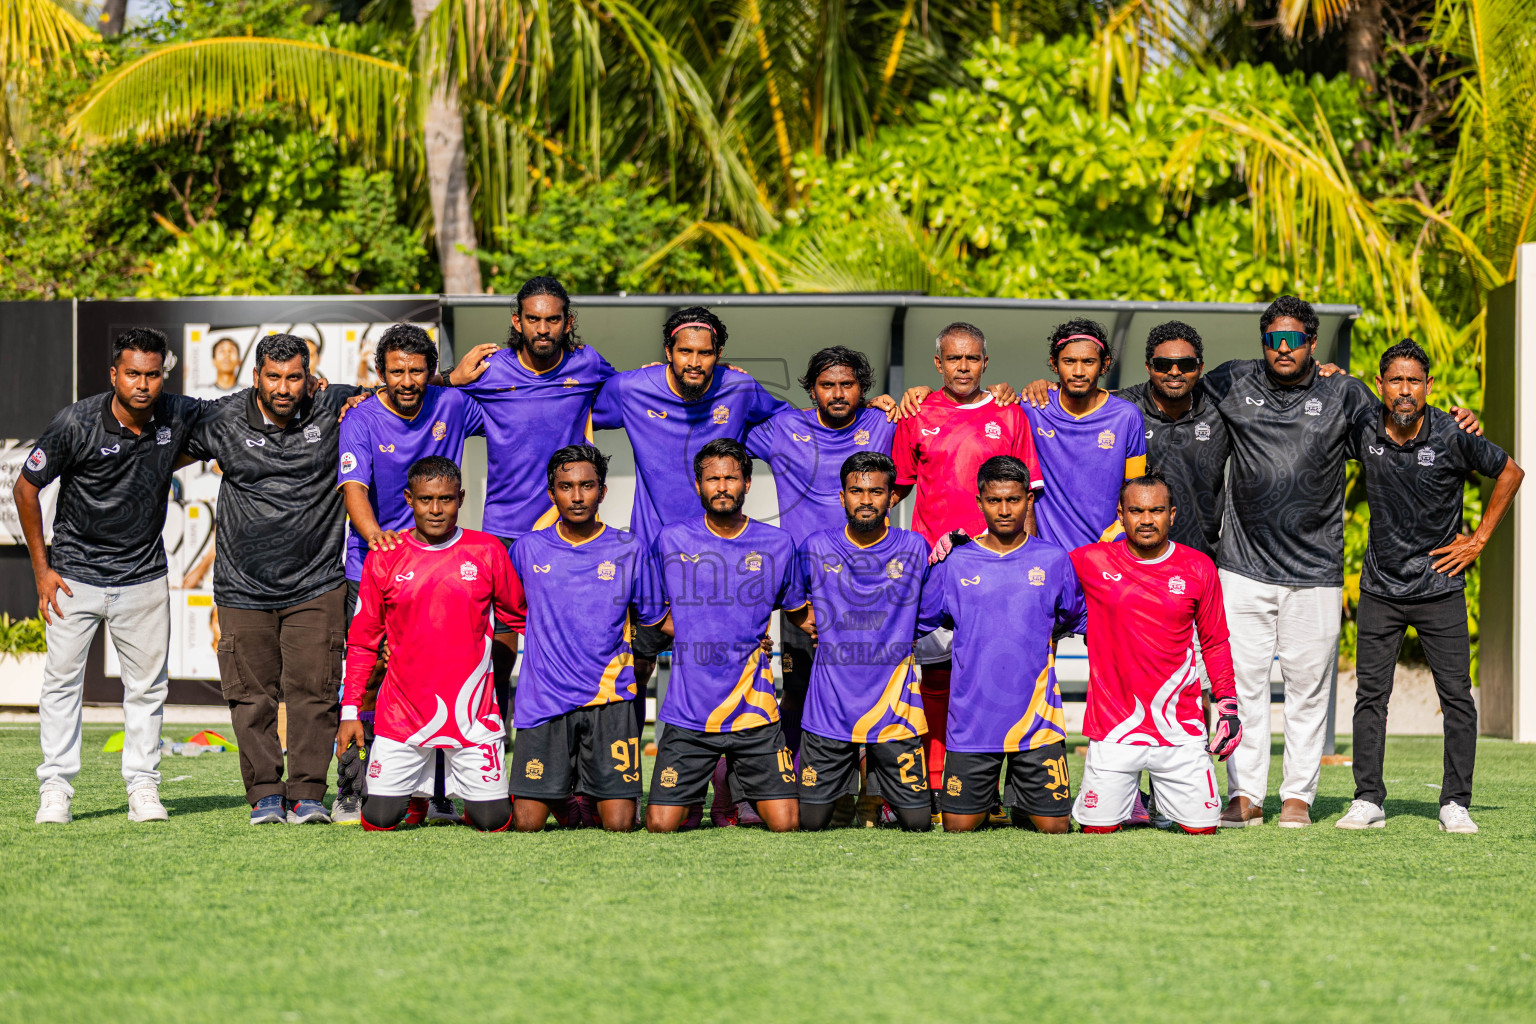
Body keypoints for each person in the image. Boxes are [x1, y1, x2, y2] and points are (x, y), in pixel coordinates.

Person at [1198, 296, 1395, 828]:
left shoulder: (1343, 392)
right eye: (1272, 339)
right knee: (1241, 689)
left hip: (1316, 572)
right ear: (1262, 342)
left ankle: (1298, 797)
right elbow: (1164, 391)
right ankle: (1244, 795)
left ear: (1312, 342)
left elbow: (1398, 433)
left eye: (1293, 339)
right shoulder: (1232, 381)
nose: (1282, 348)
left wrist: (1458, 423)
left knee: (1309, 691)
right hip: (1241, 568)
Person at [18, 328, 205, 825]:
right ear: (114, 375)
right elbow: (25, 488)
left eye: (152, 374)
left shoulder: (178, 413)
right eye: (133, 374)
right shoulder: (76, 422)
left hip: (143, 577)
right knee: (62, 684)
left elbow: (234, 411)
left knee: (147, 689)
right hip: (74, 577)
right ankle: (55, 788)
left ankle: (143, 787)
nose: (143, 384)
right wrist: (43, 570)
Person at [1336, 340, 1522, 834]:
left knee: (1457, 697)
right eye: (1395, 380)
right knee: (1371, 697)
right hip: (1380, 586)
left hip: (1440, 586)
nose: (1404, 390)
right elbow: (1332, 399)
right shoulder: (1364, 428)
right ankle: (1368, 799)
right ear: (1381, 386)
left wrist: (1479, 540)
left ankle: (1455, 803)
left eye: (1413, 381)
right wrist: (1326, 371)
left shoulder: (1453, 432)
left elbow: (1510, 471)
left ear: (1429, 386)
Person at [182, 333, 368, 825]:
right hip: (243, 587)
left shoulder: (334, 404)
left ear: (310, 378)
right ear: (256, 377)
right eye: (274, 377)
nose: (284, 387)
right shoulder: (222, 417)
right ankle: (265, 793)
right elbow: (160, 442)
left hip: (317, 583)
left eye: (294, 377)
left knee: (315, 693)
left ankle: (308, 794)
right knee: (250, 695)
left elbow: (398, 388)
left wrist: (448, 378)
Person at [591, 307, 792, 738]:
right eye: (685, 352)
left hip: (719, 563)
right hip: (651, 560)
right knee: (633, 669)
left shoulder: (739, 386)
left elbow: (796, 424)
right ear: (668, 352)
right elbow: (573, 402)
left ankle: (731, 799)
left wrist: (868, 410)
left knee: (735, 668)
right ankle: (620, 773)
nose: (695, 362)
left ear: (719, 355)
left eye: (705, 353)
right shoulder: (632, 388)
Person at [441, 277, 614, 727]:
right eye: (533, 319)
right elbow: (421, 401)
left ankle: (566, 732)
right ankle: (493, 733)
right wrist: (450, 378)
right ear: (517, 321)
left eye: (552, 320)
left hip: (563, 529)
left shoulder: (587, 362)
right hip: (502, 528)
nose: (542, 328)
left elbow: (635, 392)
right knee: (498, 638)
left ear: (567, 322)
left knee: (563, 635)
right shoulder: (489, 369)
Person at [335, 323, 486, 824]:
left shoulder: (453, 405)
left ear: (430, 371)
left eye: (417, 370)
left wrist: (453, 380)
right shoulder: (360, 416)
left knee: (442, 674)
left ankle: (438, 790)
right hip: (375, 566)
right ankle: (352, 788)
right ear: (380, 372)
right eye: (396, 370)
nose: (407, 380)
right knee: (371, 676)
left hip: (441, 569)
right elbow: (353, 486)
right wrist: (377, 536)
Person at [891, 321, 1043, 802]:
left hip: (1000, 567)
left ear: (985, 362)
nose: (963, 367)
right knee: (936, 677)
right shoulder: (916, 414)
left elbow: (1028, 499)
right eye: (953, 358)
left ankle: (1000, 791)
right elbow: (893, 488)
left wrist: (1028, 562)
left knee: (997, 675)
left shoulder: (1009, 413)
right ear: (938, 364)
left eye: (972, 358)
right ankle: (937, 785)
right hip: (938, 570)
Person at [337, 457, 524, 833]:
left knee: (494, 822)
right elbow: (362, 641)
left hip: (473, 716)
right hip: (402, 715)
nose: (436, 509)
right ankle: (418, 796)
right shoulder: (385, 555)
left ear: (461, 498)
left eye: (446, 499)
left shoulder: (488, 551)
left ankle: (472, 796)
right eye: (425, 499)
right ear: (409, 499)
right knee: (379, 821)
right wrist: (349, 711)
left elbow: (522, 617)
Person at [745, 346, 899, 758]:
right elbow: (719, 423)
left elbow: (923, 452)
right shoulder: (783, 427)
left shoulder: (883, 420)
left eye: (847, 385)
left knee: (869, 690)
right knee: (798, 691)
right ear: (811, 391)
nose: (837, 393)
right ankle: (796, 778)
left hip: (867, 583)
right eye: (827, 385)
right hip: (803, 589)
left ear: (862, 389)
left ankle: (870, 794)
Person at [1069, 474, 1243, 834]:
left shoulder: (1198, 567)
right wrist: (966, 545)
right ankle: (1135, 800)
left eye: (1156, 510)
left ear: (1172, 514)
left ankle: (1163, 802)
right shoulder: (1090, 561)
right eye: (1136, 511)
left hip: (1180, 732)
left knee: (1202, 830)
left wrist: (1227, 704)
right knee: (1097, 831)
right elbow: (1030, 567)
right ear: (1120, 515)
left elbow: (1214, 641)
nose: (1146, 520)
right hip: (1114, 730)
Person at [642, 439, 801, 834]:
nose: (723, 486)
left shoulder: (778, 544)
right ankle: (699, 797)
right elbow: (653, 614)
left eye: (731, 477)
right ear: (698, 485)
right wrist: (706, 633)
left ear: (747, 483)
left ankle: (728, 792)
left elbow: (799, 610)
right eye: (713, 479)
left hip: (755, 710)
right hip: (689, 710)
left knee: (786, 824)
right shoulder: (671, 540)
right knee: (662, 825)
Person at [924, 456, 1085, 833]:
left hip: (1038, 724)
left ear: (1028, 501)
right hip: (971, 724)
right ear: (979, 502)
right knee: (959, 828)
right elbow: (918, 618)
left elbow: (1078, 617)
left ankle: (1021, 800)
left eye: (1013, 499)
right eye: (994, 500)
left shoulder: (1052, 559)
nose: (1004, 509)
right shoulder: (956, 561)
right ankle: (1002, 798)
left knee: (1054, 829)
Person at [507, 445, 652, 832]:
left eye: (587, 486)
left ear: (602, 492)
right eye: (566, 486)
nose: (576, 496)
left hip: (610, 700)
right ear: (551, 493)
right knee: (526, 825)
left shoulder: (629, 548)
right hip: (545, 700)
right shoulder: (527, 549)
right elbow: (506, 614)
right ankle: (568, 795)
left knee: (620, 826)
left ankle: (582, 793)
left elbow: (653, 619)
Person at [792, 452, 937, 832]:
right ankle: (841, 795)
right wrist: (810, 622)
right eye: (856, 491)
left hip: (895, 710)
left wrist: (896, 631)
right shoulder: (815, 546)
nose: (866, 500)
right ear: (842, 497)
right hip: (830, 709)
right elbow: (791, 600)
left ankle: (877, 798)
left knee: (918, 823)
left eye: (876, 491)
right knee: (809, 823)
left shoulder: (915, 548)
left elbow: (932, 611)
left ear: (891, 497)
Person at [1024, 319, 1147, 550]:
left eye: (1088, 362)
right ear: (1054, 363)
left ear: (1104, 364)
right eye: (1069, 361)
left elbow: (1137, 492)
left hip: (1106, 554)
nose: (1078, 371)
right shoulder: (1032, 409)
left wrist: (1112, 540)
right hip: (1049, 557)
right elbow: (989, 402)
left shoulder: (1127, 417)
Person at [1115, 321, 1230, 559]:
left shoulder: (1222, 412)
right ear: (1148, 367)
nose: (1175, 372)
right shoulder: (1121, 410)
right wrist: (1045, 388)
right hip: (1133, 560)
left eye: (1186, 364)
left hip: (1200, 559)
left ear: (1200, 368)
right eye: (1163, 365)